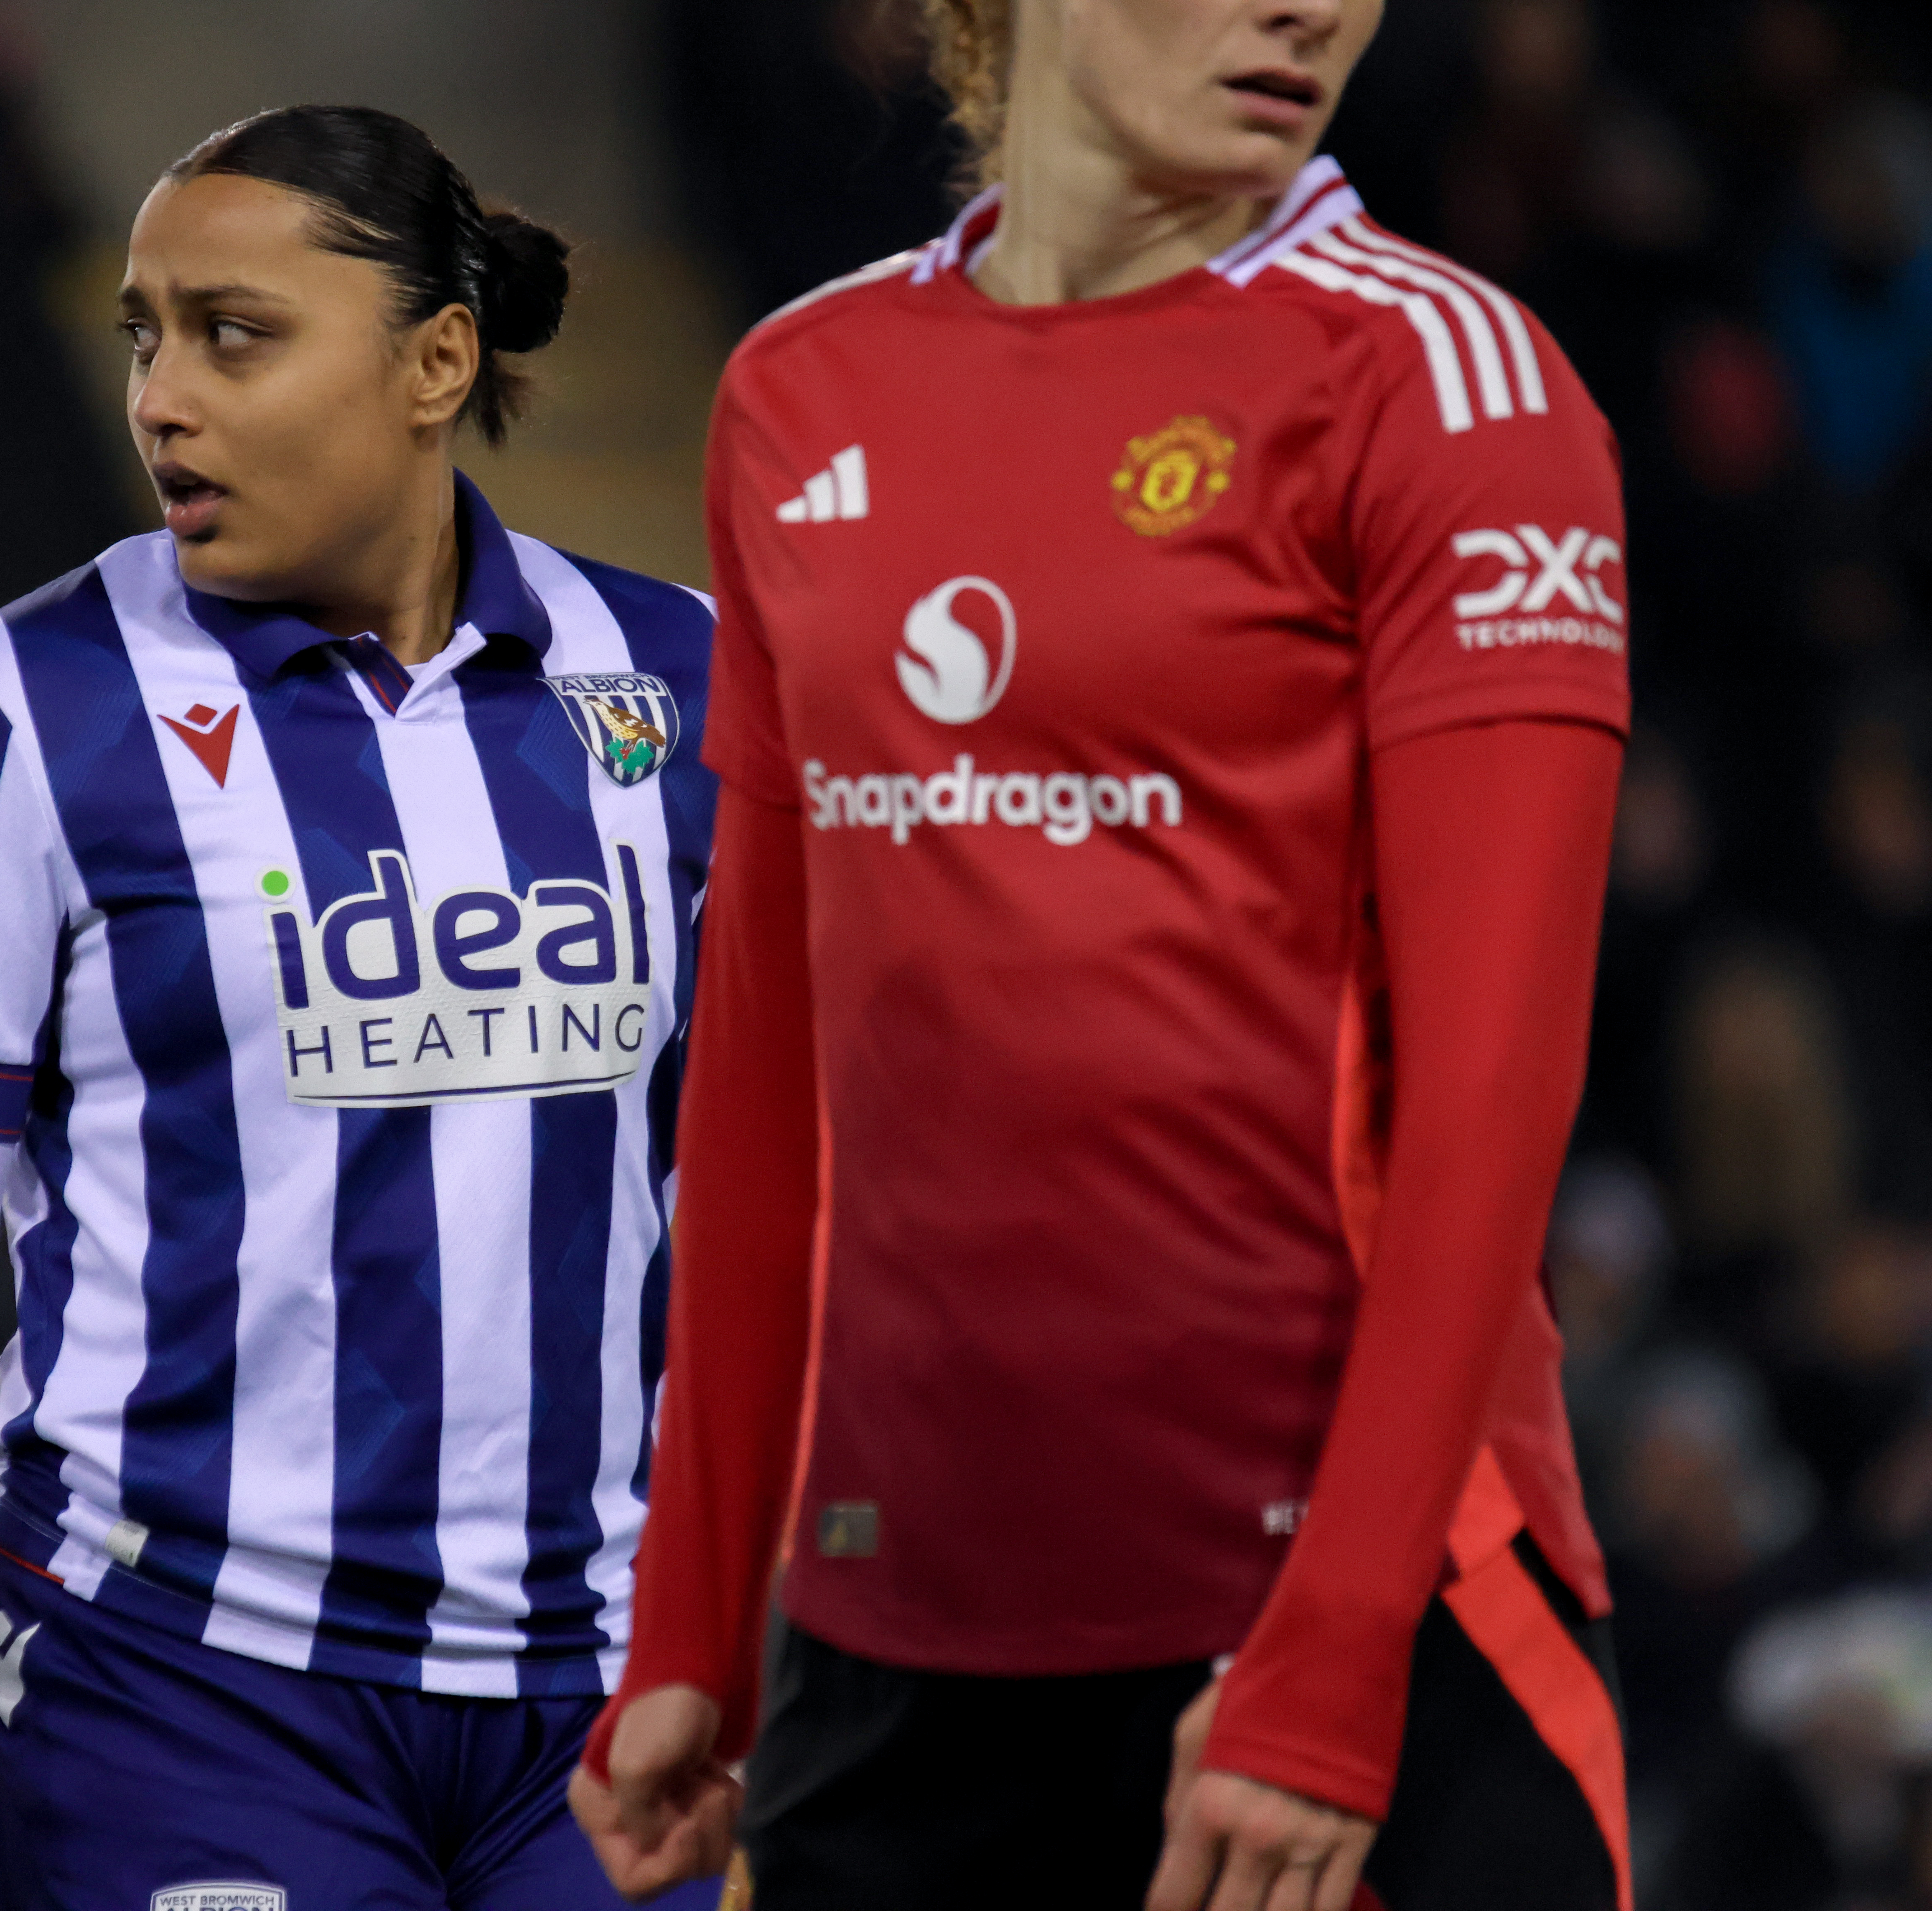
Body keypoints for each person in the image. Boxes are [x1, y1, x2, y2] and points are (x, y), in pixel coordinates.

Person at [572, 1, 1636, 1907]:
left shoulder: (1448, 382)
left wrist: (1331, 1660)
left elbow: (1498, 1089)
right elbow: (760, 1084)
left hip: (1339, 1636)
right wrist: (694, 1621)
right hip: (899, 1660)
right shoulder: (800, 391)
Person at [0, 106, 724, 1911]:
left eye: (237, 332)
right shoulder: (21, 709)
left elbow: (767, 1190)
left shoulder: (686, 683)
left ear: (438, 359)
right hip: (178, 1682)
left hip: (612, 1691)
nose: (161, 397)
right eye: (146, 334)